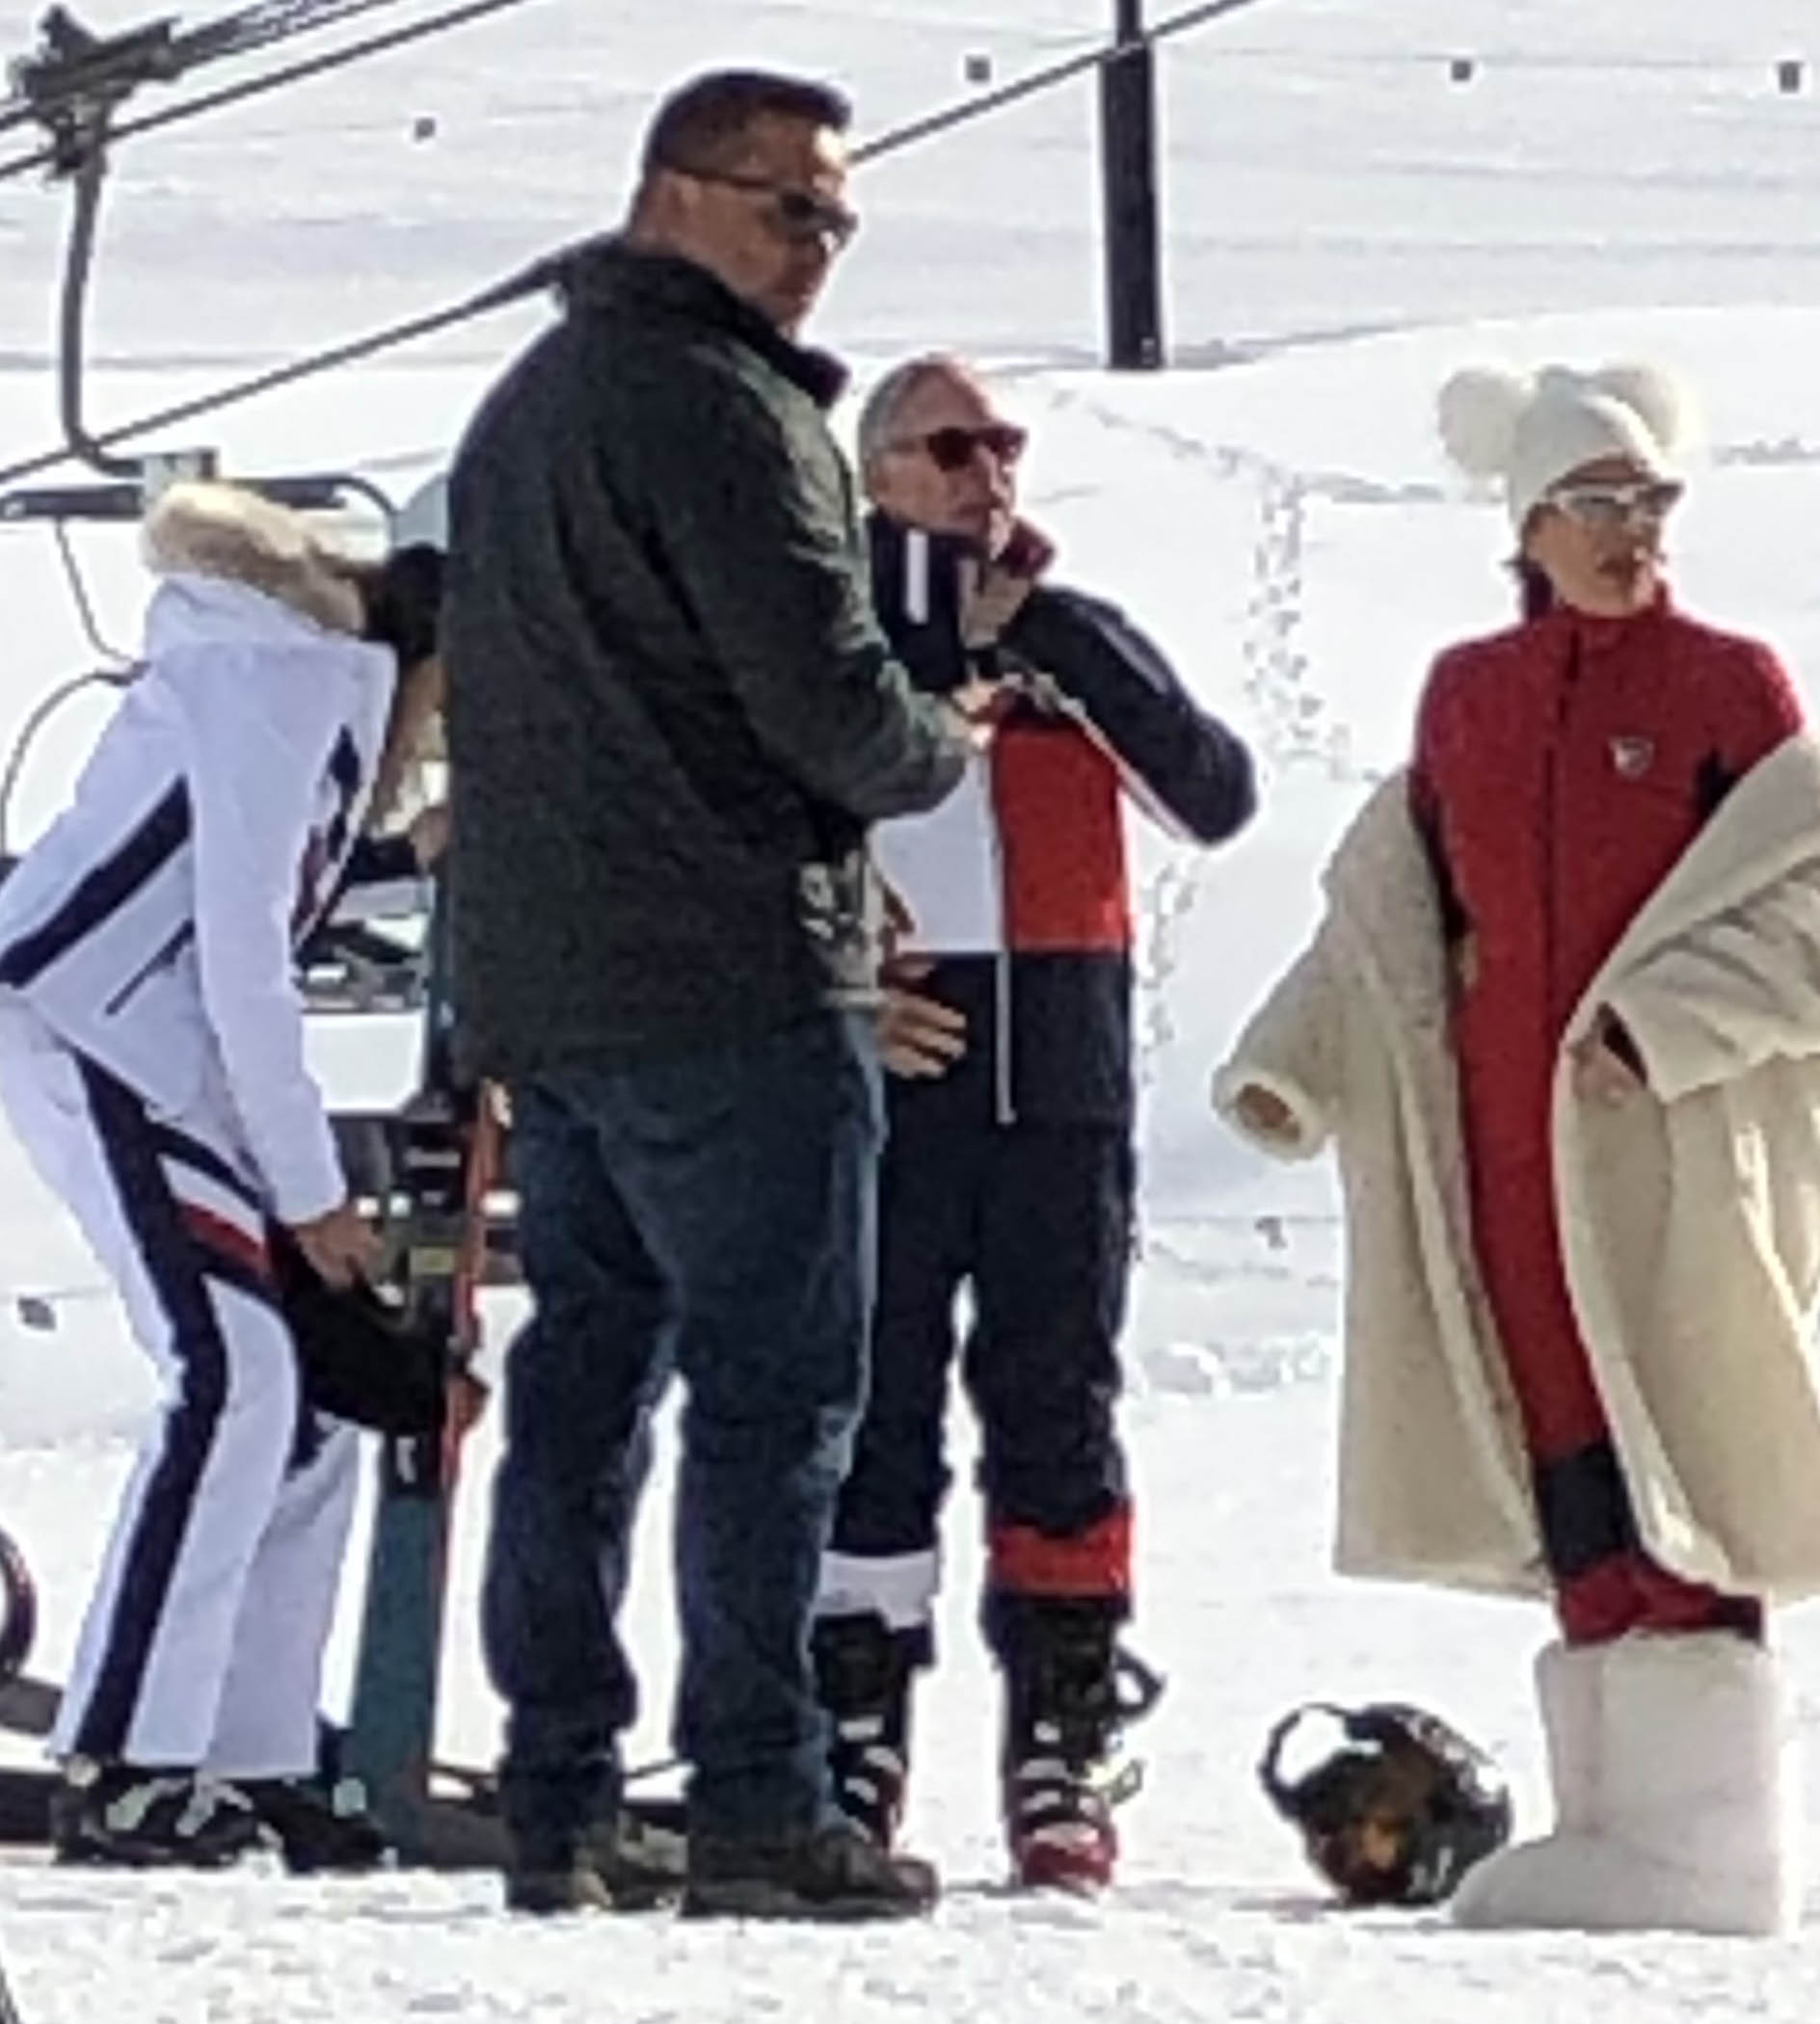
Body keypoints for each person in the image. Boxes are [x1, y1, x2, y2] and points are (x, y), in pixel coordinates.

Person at [1213, 362, 1820, 1935]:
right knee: (1561, 1460)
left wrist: (1666, 1025)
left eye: (1650, 503)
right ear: (1528, 521)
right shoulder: (1466, 696)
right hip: (1501, 1151)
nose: (1631, 534)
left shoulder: (1733, 686)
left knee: (1684, 1447)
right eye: (1598, 505)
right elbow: (1396, 920)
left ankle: (1716, 1849)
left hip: (1658, 1150)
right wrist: (1294, 1064)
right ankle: (1619, 1827)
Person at [442, 70, 978, 1922]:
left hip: (552, 992)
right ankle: (759, 1796)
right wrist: (938, 740)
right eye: (790, 209)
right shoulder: (725, 411)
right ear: (674, 193)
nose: (821, 251)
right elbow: (828, 705)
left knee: (584, 1382)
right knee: (774, 1395)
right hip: (738, 978)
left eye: (837, 219)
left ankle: (554, 1795)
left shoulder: (527, 406)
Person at [813, 354, 1257, 1892]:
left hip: (1060, 1079)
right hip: (900, 1069)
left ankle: (1060, 1732)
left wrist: (1051, 636)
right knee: (871, 1408)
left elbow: (1215, 794)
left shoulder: (1073, 636)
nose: (984, 471)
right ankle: (852, 1728)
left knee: (1058, 1404)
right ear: (873, 473)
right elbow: (746, 834)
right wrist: (837, 994)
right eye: (947, 447)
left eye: (1002, 444)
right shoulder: (825, 635)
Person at [0, 478, 446, 1871]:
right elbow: (245, 951)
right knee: (233, 1371)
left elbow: (263, 888)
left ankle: (249, 1746)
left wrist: (405, 864)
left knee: (300, 1393)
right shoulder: (283, 678)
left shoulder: (322, 697)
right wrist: (308, 1197)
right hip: (82, 1021)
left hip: (154, 1042)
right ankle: (129, 1761)